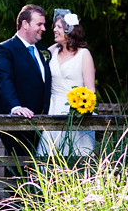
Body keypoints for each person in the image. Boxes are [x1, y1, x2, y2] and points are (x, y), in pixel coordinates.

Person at [0, 4, 52, 155]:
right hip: (17, 123)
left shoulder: (43, 50)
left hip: (43, 122)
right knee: (21, 169)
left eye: (43, 24)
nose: (43, 29)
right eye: (39, 24)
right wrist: (16, 107)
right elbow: (4, 80)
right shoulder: (5, 49)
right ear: (25, 24)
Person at [38, 9, 96, 157]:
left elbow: (91, 90)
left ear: (69, 30)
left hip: (74, 111)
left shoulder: (84, 54)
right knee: (49, 156)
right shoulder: (51, 51)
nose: (54, 30)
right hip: (53, 108)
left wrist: (80, 109)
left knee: (77, 155)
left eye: (58, 27)